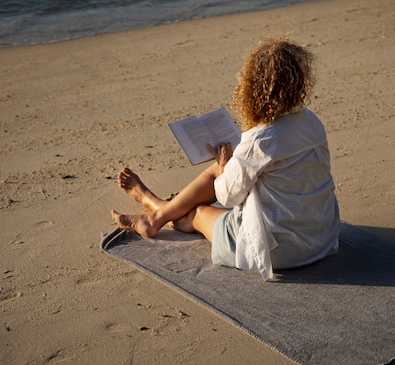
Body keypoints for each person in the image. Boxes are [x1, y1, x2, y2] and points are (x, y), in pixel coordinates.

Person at [112, 37, 340, 281]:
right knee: (224, 171)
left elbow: (228, 197)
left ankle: (152, 209)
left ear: (255, 88)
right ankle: (155, 214)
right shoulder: (311, 121)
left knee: (198, 213)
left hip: (279, 253)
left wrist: (223, 167)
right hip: (320, 237)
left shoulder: (261, 139)